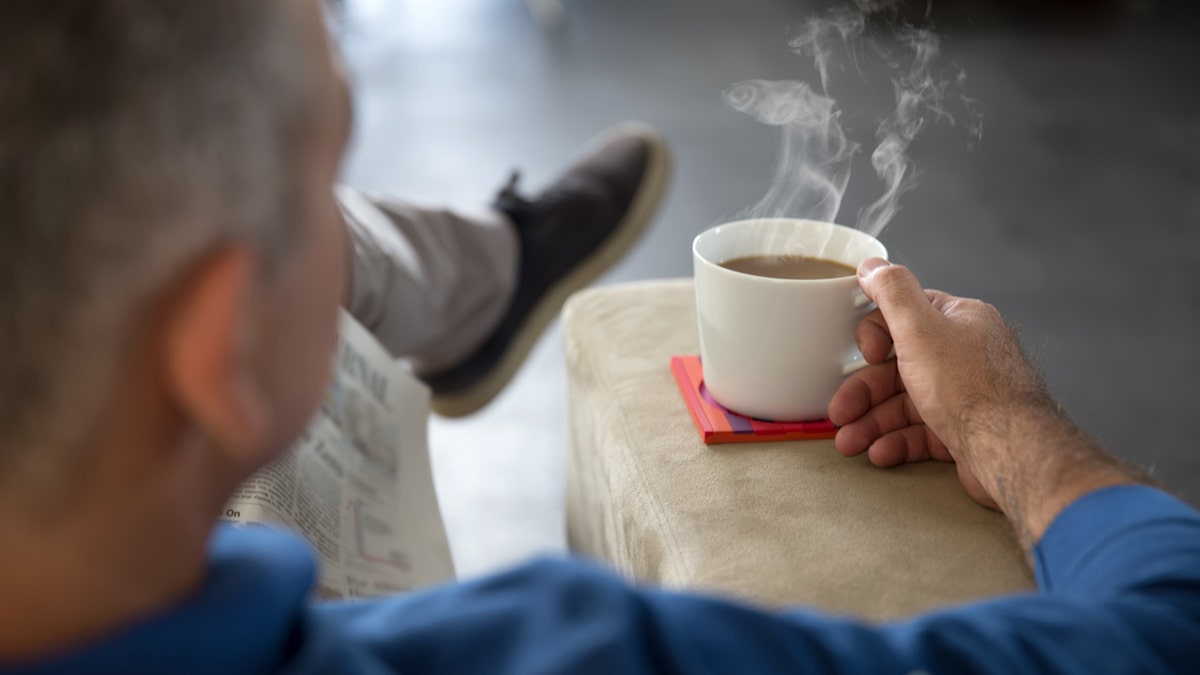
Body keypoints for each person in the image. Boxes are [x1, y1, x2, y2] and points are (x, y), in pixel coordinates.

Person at [1, 2, 1198, 674]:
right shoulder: (552, 654)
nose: (337, 216)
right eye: (329, 182)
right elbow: (1162, 631)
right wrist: (1007, 427)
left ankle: (482, 277)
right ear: (219, 354)